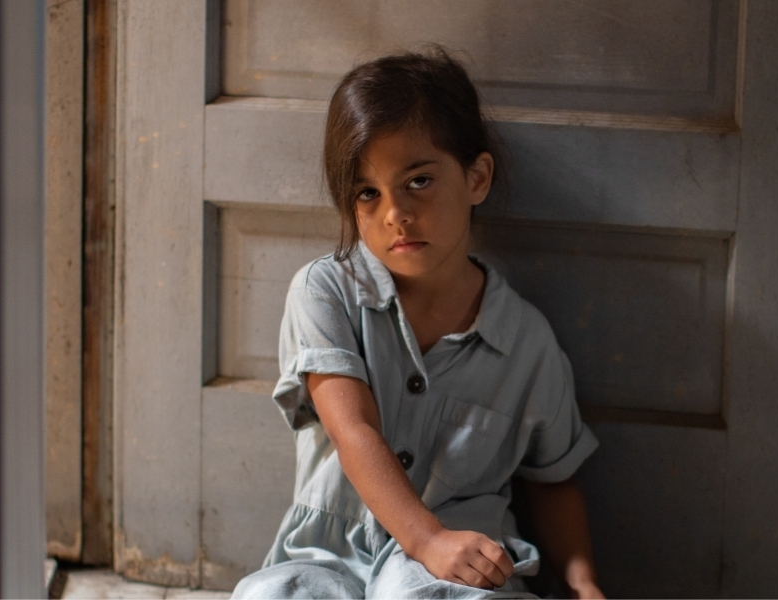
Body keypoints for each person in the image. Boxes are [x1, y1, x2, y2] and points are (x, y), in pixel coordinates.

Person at [230, 47, 605, 600]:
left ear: (476, 178)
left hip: (460, 560)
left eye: (419, 181)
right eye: (367, 192)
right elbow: (352, 429)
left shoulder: (525, 341)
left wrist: (584, 585)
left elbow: (553, 482)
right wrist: (423, 537)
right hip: (332, 554)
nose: (394, 214)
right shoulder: (326, 292)